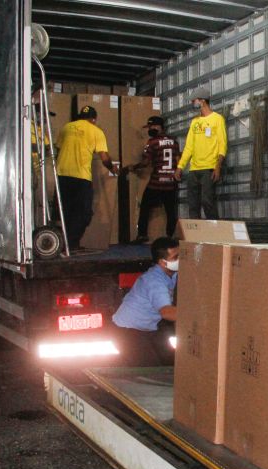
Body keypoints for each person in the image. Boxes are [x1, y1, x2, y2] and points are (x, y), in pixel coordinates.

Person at [55, 105, 117, 251]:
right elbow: (104, 157)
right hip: (81, 177)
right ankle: (71, 244)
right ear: (94, 119)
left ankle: (64, 243)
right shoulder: (96, 131)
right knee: (84, 213)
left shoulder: (66, 127)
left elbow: (58, 148)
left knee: (65, 211)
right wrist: (112, 168)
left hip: (62, 174)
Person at [112, 237, 179, 366]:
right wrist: (197, 318)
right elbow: (167, 312)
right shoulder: (154, 281)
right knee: (150, 367)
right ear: (163, 262)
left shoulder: (172, 274)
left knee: (169, 360)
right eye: (175, 257)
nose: (180, 260)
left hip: (149, 328)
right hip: (128, 331)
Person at [122, 116, 181, 243]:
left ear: (160, 127)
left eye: (152, 126)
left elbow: (145, 162)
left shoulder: (152, 142)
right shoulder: (174, 141)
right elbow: (178, 161)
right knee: (171, 211)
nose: (150, 129)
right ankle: (170, 237)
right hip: (171, 183)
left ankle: (142, 235)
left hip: (156, 183)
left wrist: (133, 167)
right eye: (149, 127)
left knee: (144, 208)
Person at [174, 87, 227, 220]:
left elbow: (222, 144)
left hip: (208, 168)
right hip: (194, 169)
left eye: (194, 101)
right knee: (193, 204)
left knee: (207, 202)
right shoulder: (195, 122)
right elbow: (189, 147)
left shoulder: (217, 119)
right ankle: (196, 235)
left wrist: (218, 166)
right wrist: (180, 166)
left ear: (202, 101)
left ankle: (215, 233)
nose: (193, 103)